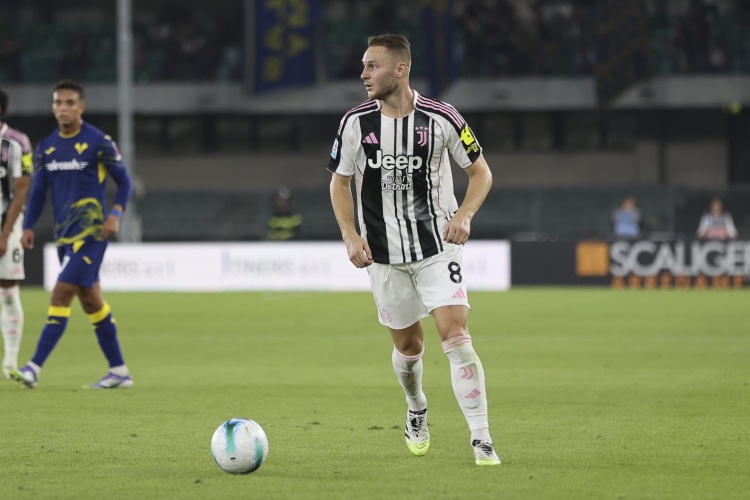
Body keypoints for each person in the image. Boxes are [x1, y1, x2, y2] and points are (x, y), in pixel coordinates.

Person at [327, 34, 500, 466]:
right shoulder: (355, 123)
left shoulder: (442, 118)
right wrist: (350, 234)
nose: (363, 74)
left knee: (456, 336)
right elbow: (339, 182)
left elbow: (481, 173)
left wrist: (464, 215)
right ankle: (416, 406)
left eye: (372, 66)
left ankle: (481, 440)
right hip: (382, 255)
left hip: (438, 248)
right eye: (364, 66)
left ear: (400, 69)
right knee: (408, 348)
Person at [8, 80, 134, 390]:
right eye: (58, 103)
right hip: (64, 236)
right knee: (91, 302)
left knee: (61, 293)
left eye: (69, 103)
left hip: (92, 234)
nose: (63, 108)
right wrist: (28, 226)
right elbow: (39, 191)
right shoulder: (47, 146)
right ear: (53, 108)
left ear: (81, 107)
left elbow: (125, 182)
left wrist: (115, 214)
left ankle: (33, 368)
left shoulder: (99, 142)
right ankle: (119, 371)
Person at [0, 88, 32, 378]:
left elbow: (21, 191)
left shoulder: (18, 142)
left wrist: (5, 233)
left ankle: (10, 360)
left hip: (7, 223)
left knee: (8, 291)